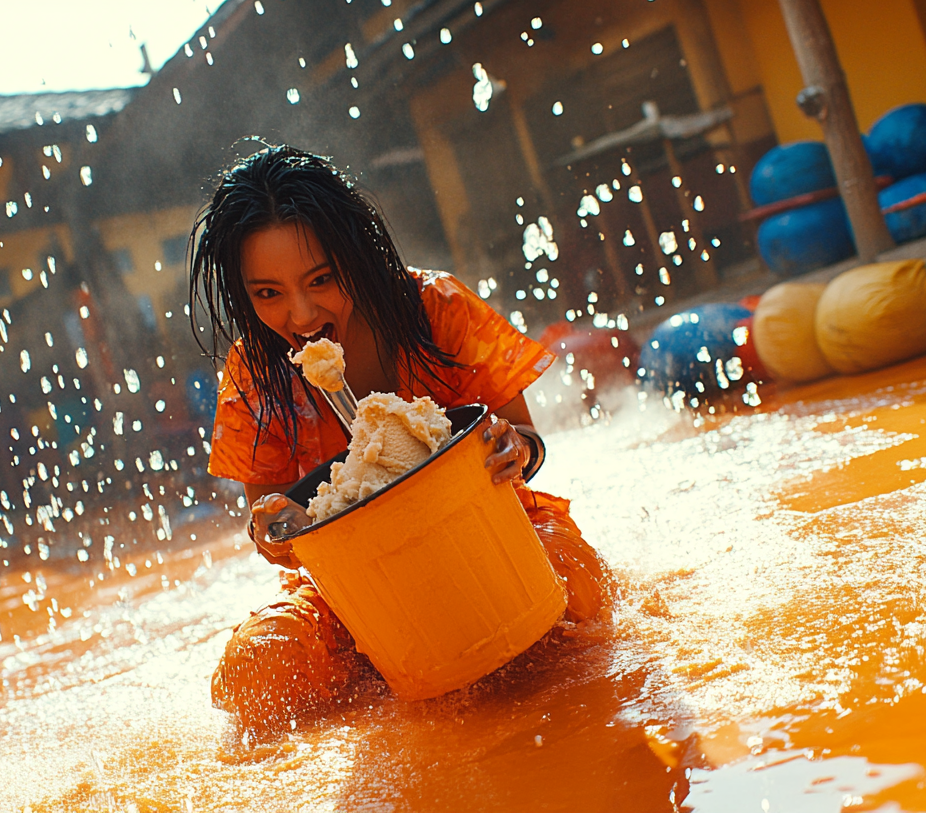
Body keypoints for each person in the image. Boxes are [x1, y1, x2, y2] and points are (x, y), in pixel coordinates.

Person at [189, 144, 612, 734]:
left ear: (356, 257)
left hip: (492, 540)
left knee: (576, 594)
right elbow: (274, 534)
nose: (303, 315)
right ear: (244, 294)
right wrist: (280, 527)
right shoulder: (253, 377)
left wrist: (512, 449)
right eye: (269, 294)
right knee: (258, 672)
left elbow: (526, 441)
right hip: (359, 590)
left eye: (322, 279)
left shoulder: (435, 308)